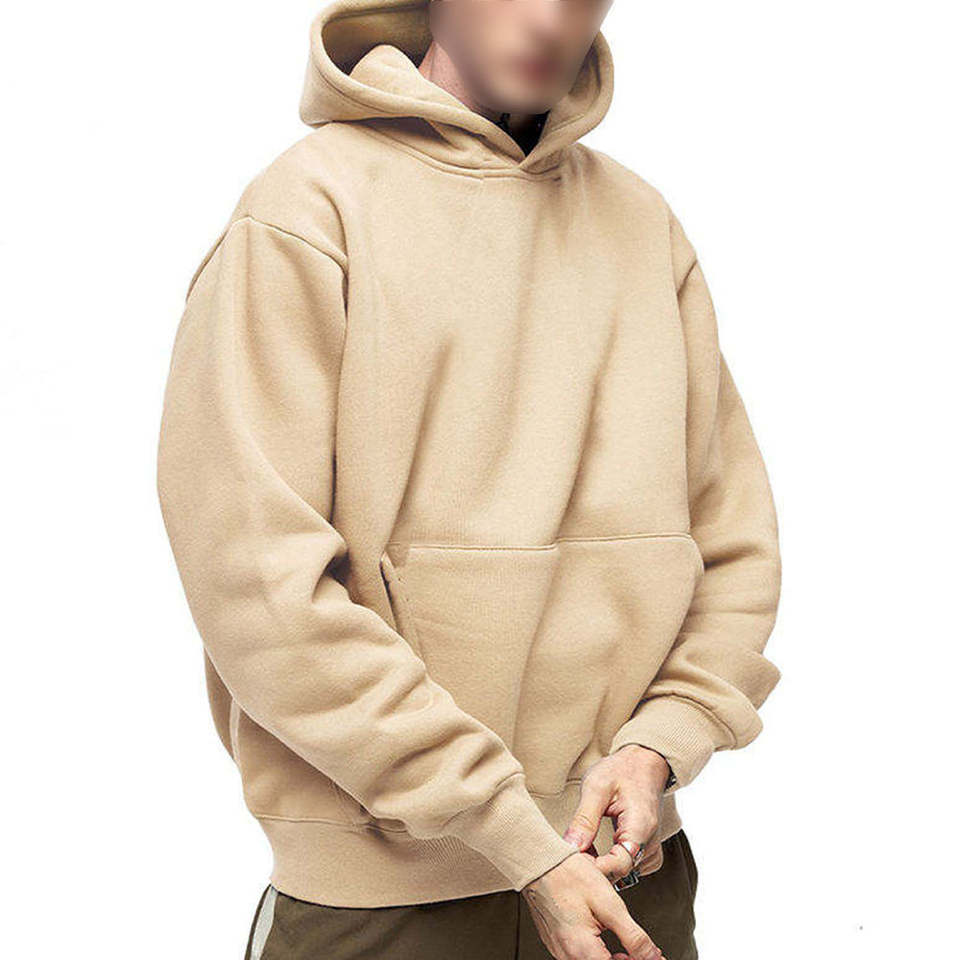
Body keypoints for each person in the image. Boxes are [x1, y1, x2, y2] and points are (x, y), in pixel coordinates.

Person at [156, 1, 783, 958]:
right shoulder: (307, 210)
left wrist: (661, 742)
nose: (553, 18)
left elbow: (734, 544)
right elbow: (259, 585)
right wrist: (509, 830)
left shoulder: (640, 222)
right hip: (387, 896)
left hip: (628, 869)